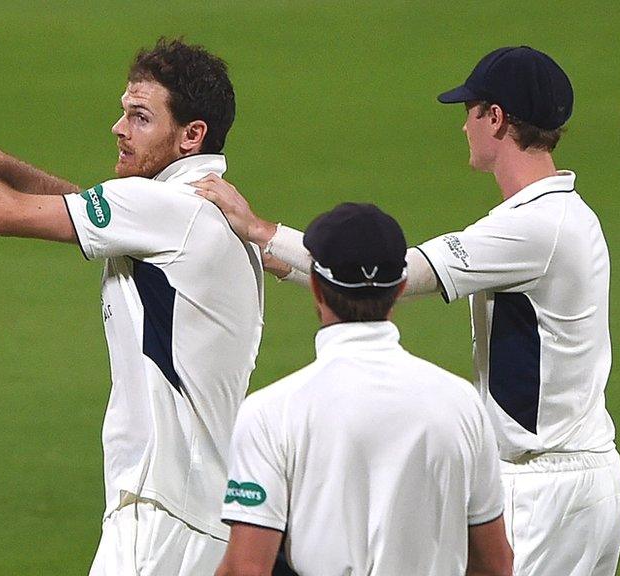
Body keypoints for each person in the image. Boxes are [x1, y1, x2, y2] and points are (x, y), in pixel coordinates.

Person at [194, 46, 620, 576]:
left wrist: (261, 231)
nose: (463, 127)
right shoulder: (565, 215)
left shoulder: (536, 226)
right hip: (585, 481)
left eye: (469, 111)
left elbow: (387, 271)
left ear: (496, 118)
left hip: (545, 490)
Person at [0, 38, 264, 574]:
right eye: (124, 112)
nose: (118, 129)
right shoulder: (194, 207)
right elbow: (85, 206)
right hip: (195, 516)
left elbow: (2, 214)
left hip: (160, 517)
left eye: (141, 117)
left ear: (191, 136)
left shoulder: (170, 208)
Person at [215, 203, 513, 575]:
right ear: (400, 288)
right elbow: (495, 565)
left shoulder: (271, 412)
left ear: (316, 287)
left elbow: (248, 569)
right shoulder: (462, 405)